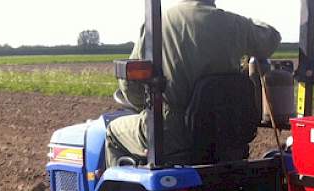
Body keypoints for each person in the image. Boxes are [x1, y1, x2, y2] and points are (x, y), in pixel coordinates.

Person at [106, 0, 281, 166]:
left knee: (112, 132)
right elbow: (271, 38)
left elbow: (130, 85)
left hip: (173, 135)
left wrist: (144, 106)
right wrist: (247, 23)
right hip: (227, 132)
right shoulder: (234, 23)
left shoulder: (158, 22)